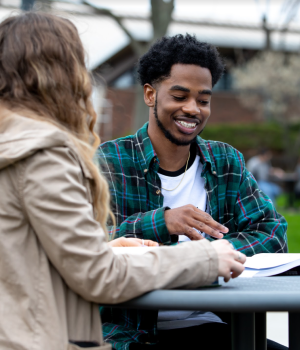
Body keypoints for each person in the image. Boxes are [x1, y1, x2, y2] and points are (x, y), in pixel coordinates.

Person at [0, 13, 247, 350]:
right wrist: (202, 259)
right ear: (62, 74)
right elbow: (97, 276)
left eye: (203, 100)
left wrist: (106, 249)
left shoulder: (13, 145)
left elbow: (27, 258)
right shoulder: (45, 155)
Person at [97, 35, 288, 349]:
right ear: (149, 94)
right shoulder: (109, 162)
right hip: (130, 333)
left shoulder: (226, 161)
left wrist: (208, 257)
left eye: (203, 99)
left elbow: (272, 234)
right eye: (180, 95)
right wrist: (163, 222)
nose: (193, 109)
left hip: (213, 323)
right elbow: (85, 247)